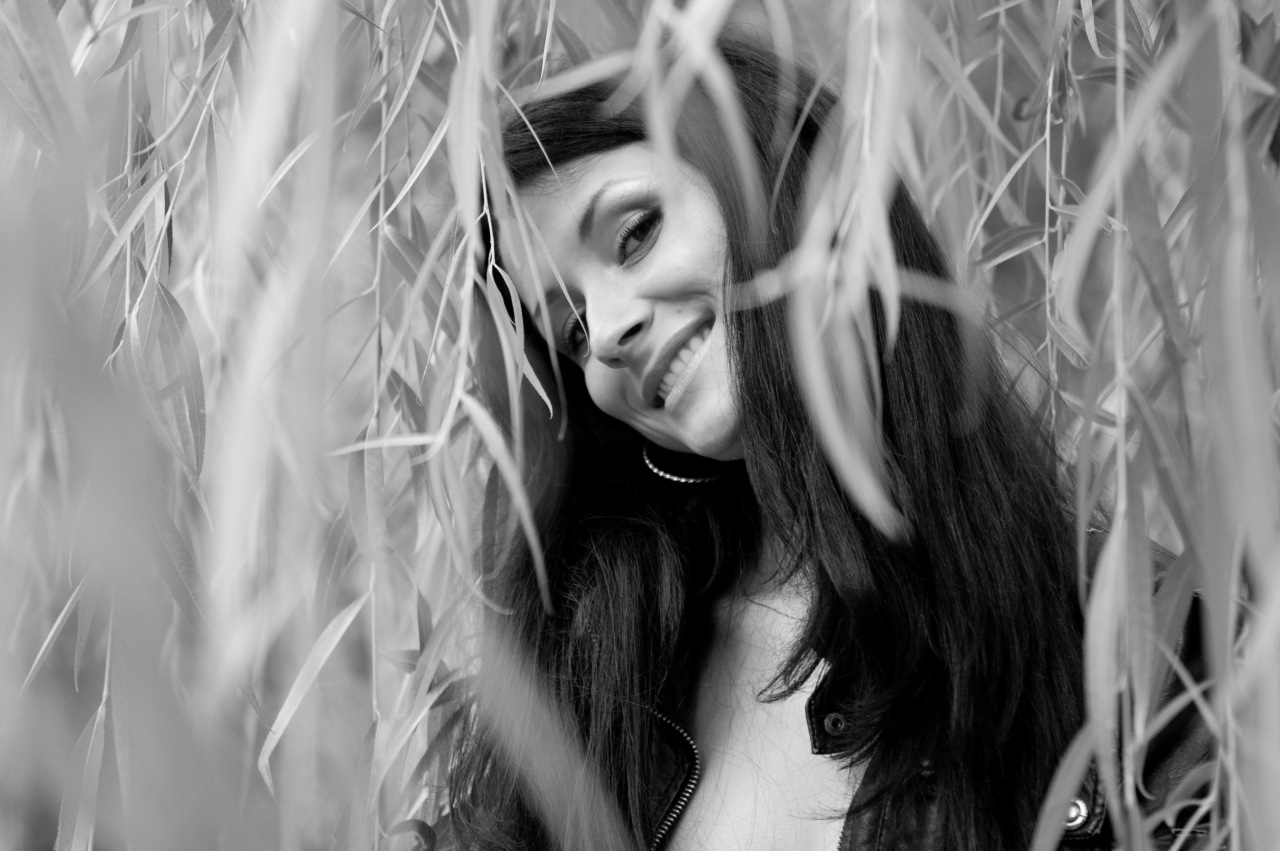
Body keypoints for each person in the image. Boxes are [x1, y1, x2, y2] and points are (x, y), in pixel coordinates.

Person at [447, 35, 1205, 851]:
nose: (607, 331)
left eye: (635, 234)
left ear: (790, 183)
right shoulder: (586, 688)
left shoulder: (1150, 649)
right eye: (570, 329)